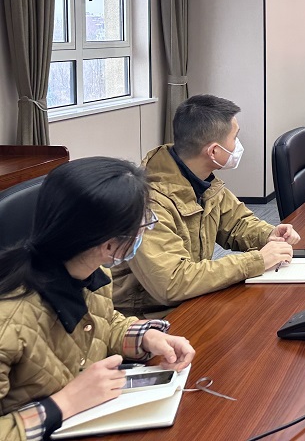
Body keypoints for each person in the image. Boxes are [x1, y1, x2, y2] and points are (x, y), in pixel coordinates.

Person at [0, 158, 196, 439]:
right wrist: (66, 402)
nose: (146, 230)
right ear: (109, 245)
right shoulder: (8, 319)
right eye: (143, 222)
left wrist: (145, 337)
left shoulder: (92, 271)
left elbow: (101, 323)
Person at [113, 95, 300, 317]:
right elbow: (172, 283)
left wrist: (268, 234)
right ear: (213, 151)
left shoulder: (201, 178)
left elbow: (237, 223)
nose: (238, 145)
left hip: (191, 299)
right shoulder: (148, 203)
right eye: (235, 138)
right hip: (147, 317)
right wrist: (256, 261)